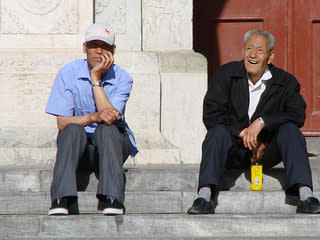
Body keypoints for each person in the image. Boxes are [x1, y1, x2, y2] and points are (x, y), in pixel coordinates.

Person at [187, 29, 320, 214]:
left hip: (266, 151)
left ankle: (305, 196)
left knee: (291, 131)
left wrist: (262, 122)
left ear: (270, 56)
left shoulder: (285, 82)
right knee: (216, 132)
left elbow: (297, 115)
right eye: (248, 48)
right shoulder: (226, 74)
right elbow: (211, 113)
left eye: (259, 50)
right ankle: (204, 196)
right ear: (242, 51)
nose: (252, 55)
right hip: (233, 148)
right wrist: (242, 133)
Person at [45, 23, 138, 216]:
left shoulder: (123, 78)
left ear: (113, 51)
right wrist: (93, 117)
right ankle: (62, 199)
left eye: (104, 46)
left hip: (111, 146)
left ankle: (112, 198)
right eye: (93, 45)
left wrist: (96, 78)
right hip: (78, 148)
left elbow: (110, 117)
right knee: (71, 129)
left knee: (106, 129)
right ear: (84, 47)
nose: (98, 51)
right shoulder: (67, 73)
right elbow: (61, 122)